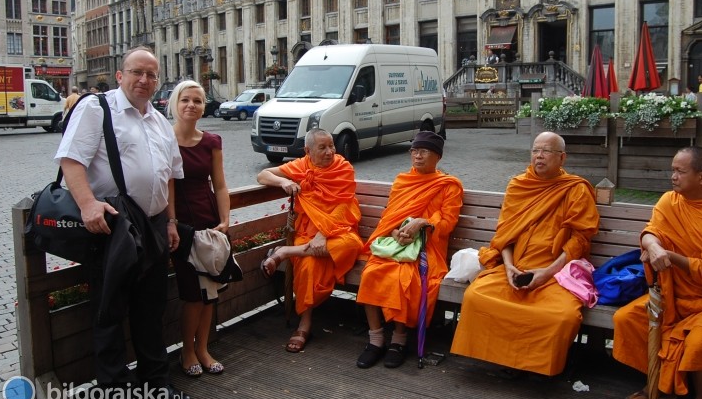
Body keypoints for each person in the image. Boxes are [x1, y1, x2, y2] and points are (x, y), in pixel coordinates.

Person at [55, 46, 190, 399]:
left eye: (151, 75)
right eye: (137, 73)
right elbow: (71, 161)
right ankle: (118, 396)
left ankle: (156, 381)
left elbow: (168, 177)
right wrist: (87, 205)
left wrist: (170, 221)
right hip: (113, 226)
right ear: (120, 75)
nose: (144, 81)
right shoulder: (96, 109)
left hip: (153, 224)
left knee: (151, 308)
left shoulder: (160, 121)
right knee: (110, 311)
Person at [613, 146, 702, 399]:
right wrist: (652, 246)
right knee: (627, 318)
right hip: (673, 293)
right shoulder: (669, 201)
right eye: (672, 170)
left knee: (698, 343)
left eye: (680, 171)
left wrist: (672, 257)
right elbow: (651, 231)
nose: (672, 176)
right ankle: (661, 384)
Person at [450, 132, 599, 376]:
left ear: (562, 157)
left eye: (546, 151)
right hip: (515, 266)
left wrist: (547, 272)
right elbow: (506, 233)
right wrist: (509, 267)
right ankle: (502, 360)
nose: (539, 156)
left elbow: (580, 240)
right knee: (477, 296)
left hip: (556, 272)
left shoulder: (576, 189)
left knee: (562, 316)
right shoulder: (519, 185)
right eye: (535, 150)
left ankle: (533, 368)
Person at [356, 131, 463, 369]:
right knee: (370, 273)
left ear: (437, 157)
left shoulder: (449, 185)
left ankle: (399, 339)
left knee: (403, 278)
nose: (417, 156)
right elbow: (388, 218)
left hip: (428, 249)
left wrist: (422, 223)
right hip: (395, 246)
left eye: (423, 151)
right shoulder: (403, 180)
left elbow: (447, 224)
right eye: (414, 151)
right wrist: (397, 233)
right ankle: (375, 339)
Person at [257, 128, 363, 352]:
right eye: (322, 147)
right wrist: (282, 182)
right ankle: (304, 324)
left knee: (351, 244)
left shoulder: (343, 168)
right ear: (307, 150)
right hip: (307, 236)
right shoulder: (301, 166)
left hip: (337, 231)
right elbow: (263, 175)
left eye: (331, 146)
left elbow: (343, 207)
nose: (329, 152)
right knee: (308, 264)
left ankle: (284, 253)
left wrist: (323, 234)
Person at [168, 80, 230, 377]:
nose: (191, 105)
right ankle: (187, 350)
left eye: (197, 101)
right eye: (185, 100)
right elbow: (164, 186)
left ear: (204, 106)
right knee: (192, 292)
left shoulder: (211, 141)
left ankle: (203, 348)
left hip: (208, 220)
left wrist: (225, 220)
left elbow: (219, 184)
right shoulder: (164, 140)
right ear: (175, 104)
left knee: (210, 290)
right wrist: (170, 222)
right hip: (179, 224)